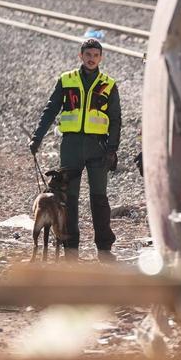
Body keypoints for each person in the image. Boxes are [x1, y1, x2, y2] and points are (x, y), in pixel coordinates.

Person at [29, 38, 120, 260]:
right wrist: (37, 138)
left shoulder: (108, 84)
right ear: (81, 56)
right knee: (67, 199)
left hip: (98, 147)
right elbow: (50, 110)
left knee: (99, 197)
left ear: (101, 58)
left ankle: (104, 249)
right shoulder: (66, 80)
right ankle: (70, 248)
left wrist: (112, 148)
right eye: (88, 55)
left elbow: (116, 119)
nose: (91, 59)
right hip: (71, 146)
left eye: (96, 56)